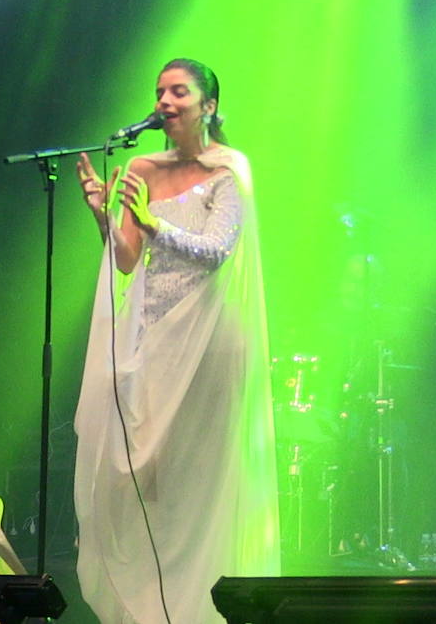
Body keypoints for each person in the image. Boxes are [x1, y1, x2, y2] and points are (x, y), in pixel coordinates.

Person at [72, 59, 278, 623]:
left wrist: (155, 223)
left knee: (195, 483)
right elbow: (127, 258)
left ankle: (199, 611)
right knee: (140, 479)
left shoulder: (230, 168)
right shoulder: (140, 165)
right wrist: (102, 217)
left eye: (178, 91)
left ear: (207, 105)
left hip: (210, 344)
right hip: (153, 340)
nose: (165, 100)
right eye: (159, 91)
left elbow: (217, 250)